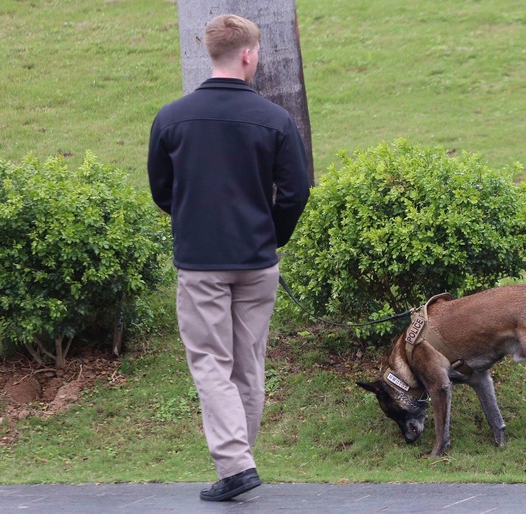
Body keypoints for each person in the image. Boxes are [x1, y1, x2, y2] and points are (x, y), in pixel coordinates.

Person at [147, 14, 310, 502]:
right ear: (247, 54)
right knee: (247, 366)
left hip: (201, 265)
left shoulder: (171, 118)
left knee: (211, 366)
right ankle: (239, 463)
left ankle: (237, 465)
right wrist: (269, 237)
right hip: (257, 263)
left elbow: (162, 192)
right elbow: (296, 192)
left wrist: (196, 221)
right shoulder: (275, 119)